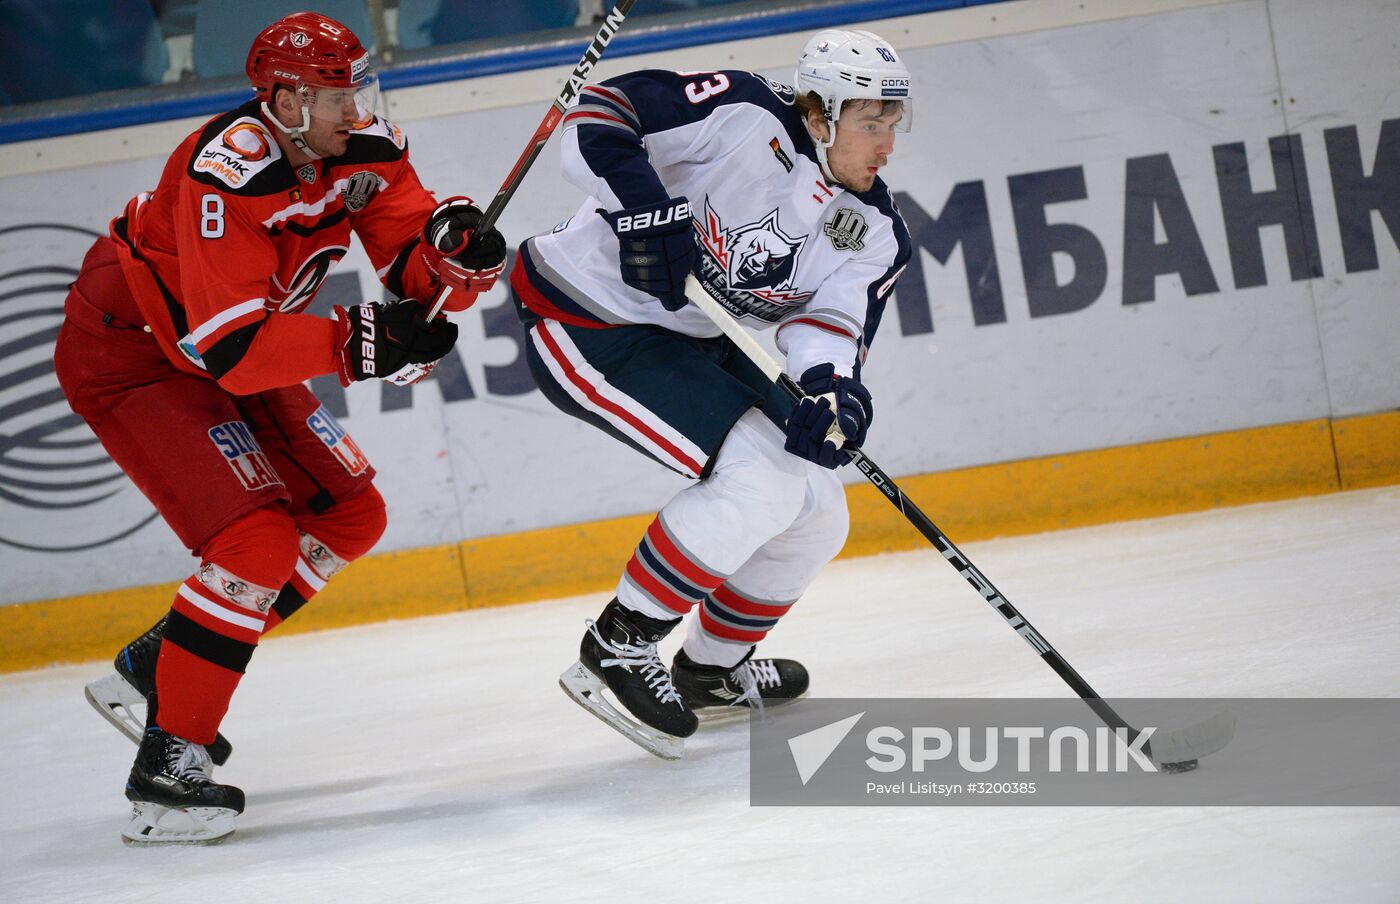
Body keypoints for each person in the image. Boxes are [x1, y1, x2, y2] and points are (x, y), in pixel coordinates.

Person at [58, 12, 506, 843]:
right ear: (287, 100)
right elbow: (230, 349)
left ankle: (161, 666)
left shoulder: (361, 148)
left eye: (359, 90)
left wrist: (453, 257)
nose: (356, 110)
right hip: (136, 355)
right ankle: (168, 770)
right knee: (255, 543)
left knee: (351, 514)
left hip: (228, 345)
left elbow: (408, 263)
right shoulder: (225, 172)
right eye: (339, 97)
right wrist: (359, 342)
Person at [511, 29, 912, 757]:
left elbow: (828, 324)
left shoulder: (875, 230)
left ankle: (709, 670)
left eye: (893, 122)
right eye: (869, 123)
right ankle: (619, 643)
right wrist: (644, 205)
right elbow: (597, 115)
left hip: (695, 334)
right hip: (587, 315)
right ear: (819, 115)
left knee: (819, 506)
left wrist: (831, 388)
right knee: (760, 482)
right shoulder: (742, 111)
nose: (886, 144)